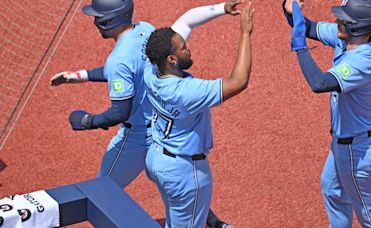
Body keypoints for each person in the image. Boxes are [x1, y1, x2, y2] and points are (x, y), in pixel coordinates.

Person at [50, 0, 241, 227]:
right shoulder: (145, 30)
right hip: (161, 132)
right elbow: (124, 71)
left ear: (108, 19)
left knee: (101, 190)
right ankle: (212, 221)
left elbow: (119, 111)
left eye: (97, 17)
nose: (94, 21)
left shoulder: (118, 60)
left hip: (136, 139)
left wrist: (86, 121)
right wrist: (79, 76)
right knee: (176, 184)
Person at [144, 2, 254, 227]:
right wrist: (245, 34)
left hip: (157, 160)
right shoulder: (186, 93)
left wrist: (222, 8)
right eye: (183, 47)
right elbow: (239, 81)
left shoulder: (151, 67)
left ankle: (210, 221)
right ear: (172, 59)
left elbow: (185, 20)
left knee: (176, 214)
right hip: (184, 172)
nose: (188, 49)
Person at [283, 0, 371, 227]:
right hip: (351, 142)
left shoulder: (362, 60)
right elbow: (308, 27)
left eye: (344, 18)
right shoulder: (347, 38)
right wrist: (289, 8)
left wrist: (300, 47)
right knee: (332, 188)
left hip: (359, 152)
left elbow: (319, 83)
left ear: (357, 27)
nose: (337, 20)